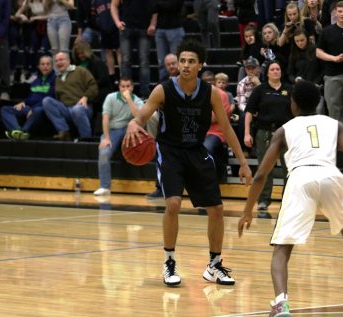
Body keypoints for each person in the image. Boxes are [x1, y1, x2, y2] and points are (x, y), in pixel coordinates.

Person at [123, 38, 252, 286]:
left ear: (200, 65)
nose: (185, 65)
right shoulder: (163, 90)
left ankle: (214, 265)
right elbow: (141, 117)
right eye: (182, 60)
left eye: (191, 61)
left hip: (195, 150)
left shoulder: (211, 93)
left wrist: (243, 163)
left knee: (217, 209)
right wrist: (133, 123)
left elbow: (226, 127)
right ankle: (169, 262)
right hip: (170, 151)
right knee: (172, 204)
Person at [239, 80, 343, 317]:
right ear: (319, 102)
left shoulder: (285, 129)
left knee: (282, 248)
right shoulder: (335, 124)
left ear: (293, 104)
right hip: (330, 176)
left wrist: (248, 209)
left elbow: (261, 174)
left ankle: (281, 304)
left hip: (301, 178)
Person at [244, 61, 292, 216]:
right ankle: (264, 200)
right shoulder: (260, 90)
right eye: (273, 69)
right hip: (264, 133)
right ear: (267, 73)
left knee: (289, 169)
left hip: (286, 133)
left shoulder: (289, 89)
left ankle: (289, 200)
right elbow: (249, 112)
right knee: (265, 168)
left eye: (278, 69)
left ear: (281, 72)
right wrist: (246, 133)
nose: (276, 71)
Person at [94, 77, 144, 196]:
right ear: (119, 87)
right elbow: (105, 118)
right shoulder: (110, 97)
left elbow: (139, 118)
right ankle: (105, 187)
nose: (125, 89)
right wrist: (106, 138)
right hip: (112, 130)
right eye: (123, 86)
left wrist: (129, 100)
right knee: (104, 153)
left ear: (132, 87)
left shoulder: (137, 100)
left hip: (129, 130)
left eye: (128, 86)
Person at [316, 1, 343, 139]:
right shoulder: (327, 31)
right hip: (332, 75)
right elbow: (318, 52)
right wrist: (333, 58)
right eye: (339, 11)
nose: (342, 14)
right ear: (335, 13)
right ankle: (335, 140)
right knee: (334, 109)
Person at [42, 52, 98, 140]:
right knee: (47, 101)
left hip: (83, 107)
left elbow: (93, 86)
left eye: (61, 60)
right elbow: (58, 97)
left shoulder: (80, 70)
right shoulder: (58, 78)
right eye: (56, 61)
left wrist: (86, 97)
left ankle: (86, 138)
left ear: (68, 61)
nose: (58, 62)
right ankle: (64, 131)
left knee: (77, 109)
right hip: (66, 109)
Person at [146, 53, 180, 199]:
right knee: (161, 152)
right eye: (169, 65)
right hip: (167, 123)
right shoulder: (162, 81)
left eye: (174, 63)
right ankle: (160, 187)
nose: (172, 66)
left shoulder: (187, 78)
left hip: (184, 123)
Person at [0, 55, 55, 140]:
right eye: (43, 64)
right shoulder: (35, 81)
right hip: (30, 107)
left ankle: (24, 132)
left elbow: (51, 98)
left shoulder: (55, 80)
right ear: (39, 67)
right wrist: (24, 102)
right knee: (5, 109)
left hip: (43, 109)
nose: (45, 66)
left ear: (52, 66)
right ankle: (16, 130)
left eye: (48, 64)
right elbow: (32, 97)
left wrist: (33, 109)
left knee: (38, 110)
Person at [110, 0, 155, 99]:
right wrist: (117, 22)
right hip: (127, 28)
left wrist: (153, 24)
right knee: (126, 61)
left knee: (144, 61)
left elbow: (155, 8)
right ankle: (126, 93)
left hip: (144, 28)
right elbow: (113, 5)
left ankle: (145, 94)